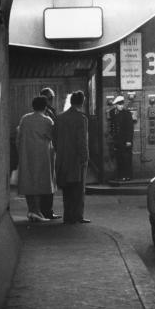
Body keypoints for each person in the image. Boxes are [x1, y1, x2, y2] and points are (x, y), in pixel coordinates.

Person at [17, 96, 57, 223]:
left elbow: (19, 135)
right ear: (45, 107)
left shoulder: (25, 119)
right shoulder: (47, 121)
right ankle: (38, 212)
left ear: (32, 106)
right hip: (42, 155)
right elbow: (52, 137)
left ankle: (32, 210)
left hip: (27, 154)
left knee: (29, 181)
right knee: (41, 182)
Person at [55, 91, 90, 223]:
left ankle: (68, 216)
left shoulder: (59, 118)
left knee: (67, 188)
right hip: (77, 159)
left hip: (63, 158)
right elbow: (82, 141)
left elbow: (55, 139)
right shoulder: (82, 119)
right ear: (82, 102)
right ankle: (77, 216)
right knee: (79, 189)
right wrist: (85, 157)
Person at [38, 87, 60, 220]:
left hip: (49, 149)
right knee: (47, 180)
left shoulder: (49, 111)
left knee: (49, 180)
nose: (52, 101)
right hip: (47, 150)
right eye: (50, 98)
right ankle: (46, 210)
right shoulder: (46, 114)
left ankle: (46, 209)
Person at [111, 95, 134, 181]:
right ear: (115, 105)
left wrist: (129, 140)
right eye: (119, 104)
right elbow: (113, 125)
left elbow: (130, 128)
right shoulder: (113, 113)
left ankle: (128, 176)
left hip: (125, 141)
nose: (121, 106)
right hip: (117, 141)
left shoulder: (127, 114)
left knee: (126, 158)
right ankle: (120, 176)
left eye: (122, 104)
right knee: (119, 158)